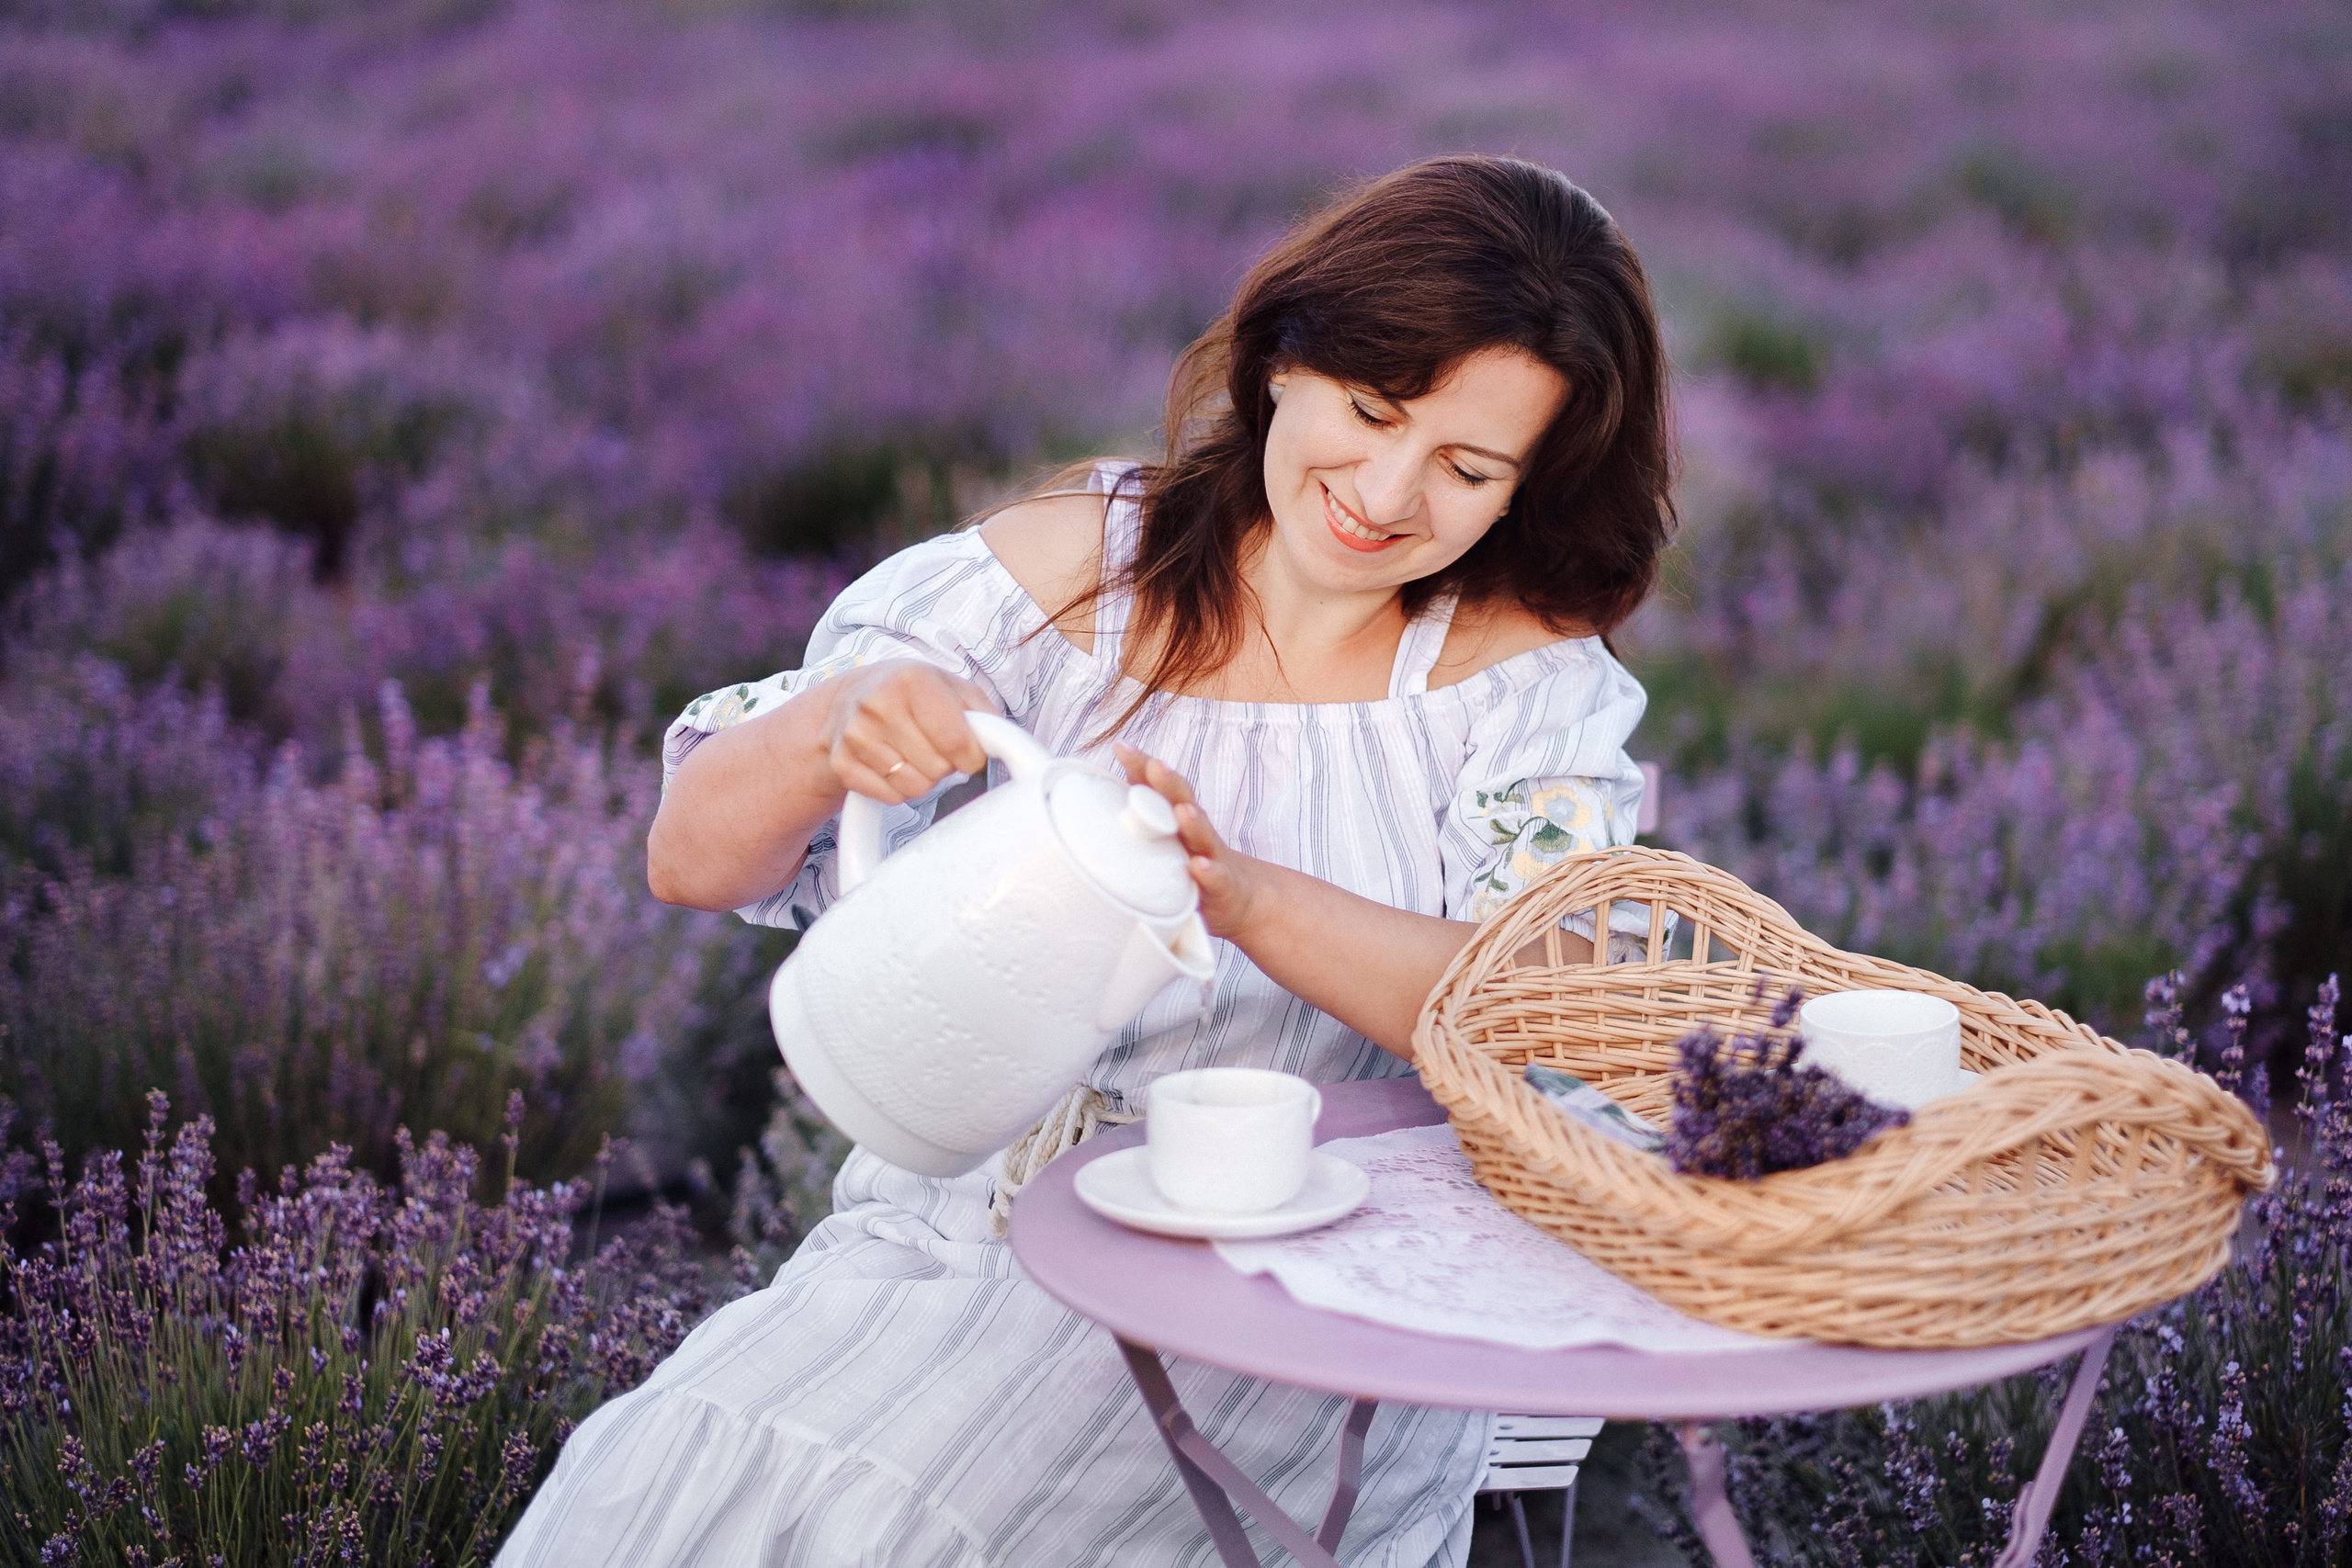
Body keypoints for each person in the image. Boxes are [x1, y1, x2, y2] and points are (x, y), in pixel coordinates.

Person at [498, 153, 1675, 1568]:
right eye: (1369, 412)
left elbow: (1529, 1014)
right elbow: (691, 856)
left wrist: (1241, 895)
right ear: (1287, 362)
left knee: (896, 1530)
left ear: (1526, 491)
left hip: (1285, 1305)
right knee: (652, 1482)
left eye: (1467, 468)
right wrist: (831, 731)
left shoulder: (1521, 686)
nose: (1385, 489)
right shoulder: (1068, 568)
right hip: (947, 1250)